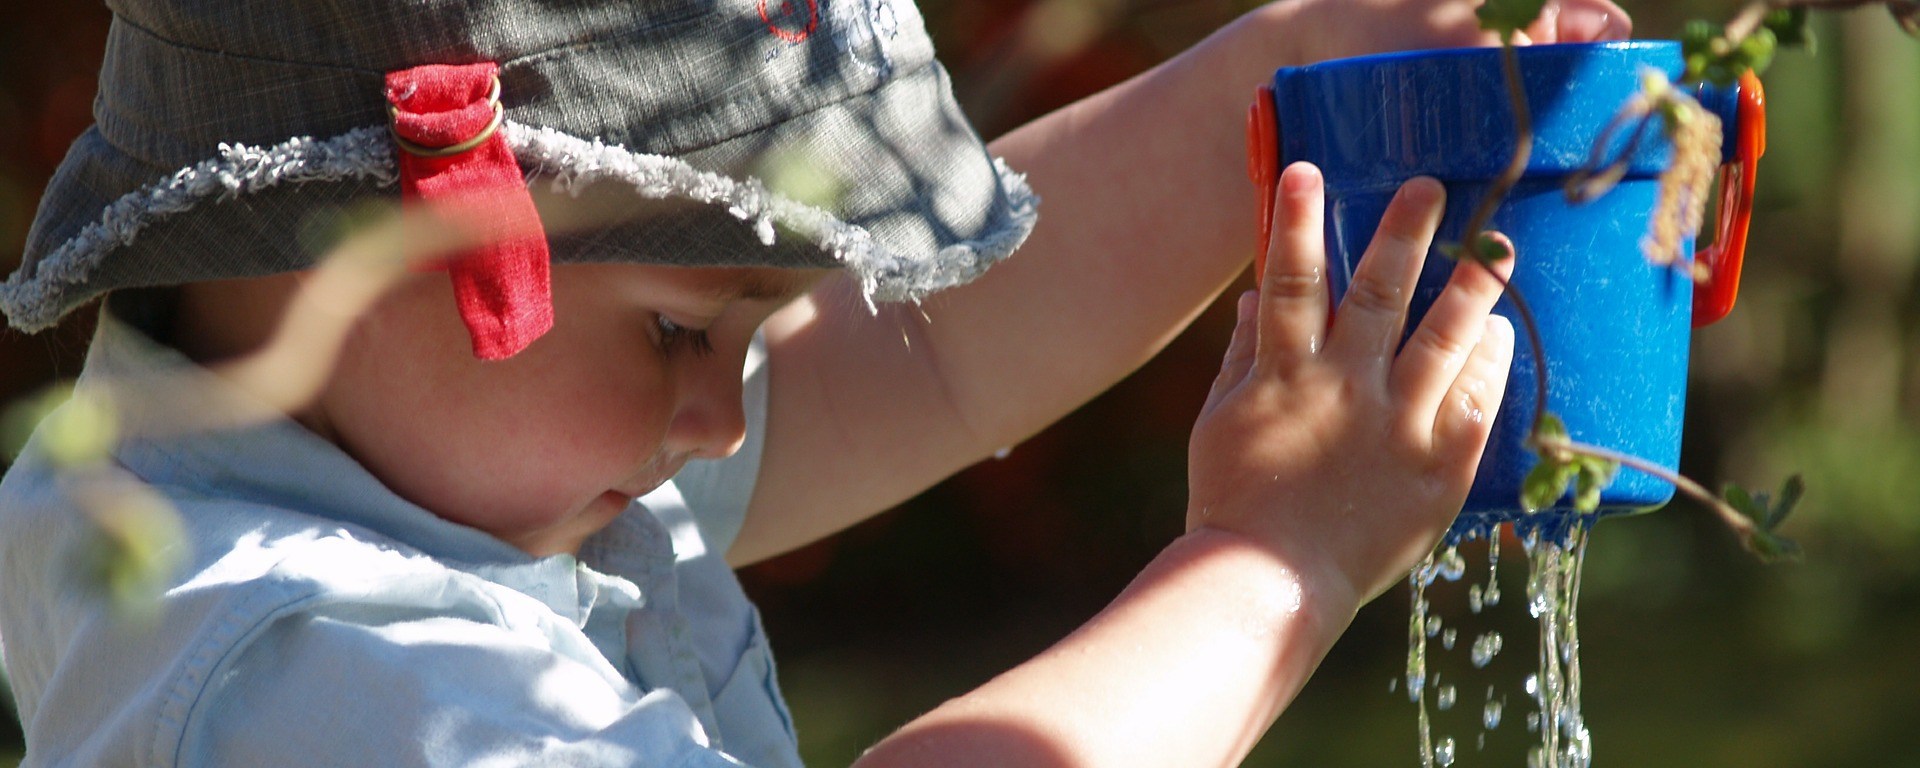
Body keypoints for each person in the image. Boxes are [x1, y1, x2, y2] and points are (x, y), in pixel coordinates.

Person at [0, 0, 1630, 765]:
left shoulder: (377, 477)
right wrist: (1273, 564)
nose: (722, 411)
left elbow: (938, 351)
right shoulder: (309, 677)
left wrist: (1278, 83)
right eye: (681, 330)